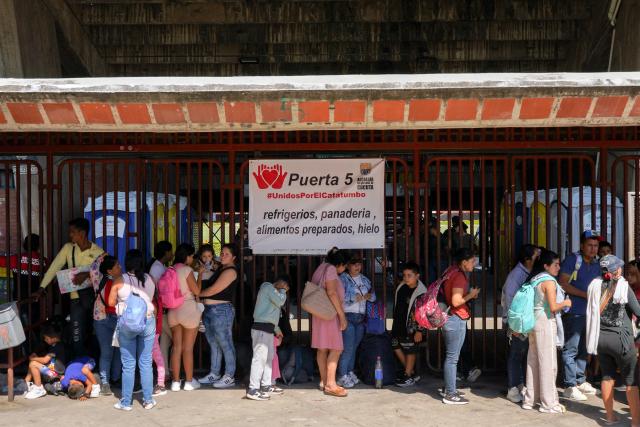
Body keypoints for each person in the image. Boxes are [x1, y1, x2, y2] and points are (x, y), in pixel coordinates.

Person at [35, 218, 104, 358]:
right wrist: (42, 287)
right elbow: (54, 267)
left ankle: (93, 364)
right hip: (75, 300)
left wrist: (87, 274)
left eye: (73, 232)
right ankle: (79, 365)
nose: (70, 235)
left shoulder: (98, 252)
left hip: (93, 301)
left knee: (94, 333)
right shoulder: (68, 248)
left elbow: (104, 275)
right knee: (76, 335)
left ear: (82, 233)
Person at [586, 255, 640, 425]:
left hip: (601, 338)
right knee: (631, 380)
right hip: (621, 340)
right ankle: (636, 422)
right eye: (620, 267)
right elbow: (638, 311)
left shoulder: (594, 284)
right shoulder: (623, 286)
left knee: (607, 375)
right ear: (616, 270)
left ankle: (609, 417)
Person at [522, 250, 571, 413]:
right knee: (548, 363)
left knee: (533, 361)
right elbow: (553, 307)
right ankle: (548, 403)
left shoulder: (534, 279)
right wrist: (566, 302)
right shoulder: (549, 282)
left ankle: (530, 399)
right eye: (555, 264)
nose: (558, 267)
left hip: (533, 321)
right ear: (546, 266)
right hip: (545, 321)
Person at [108, 249, 157, 411]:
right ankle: (148, 400)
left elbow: (110, 302)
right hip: (147, 320)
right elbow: (151, 298)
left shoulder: (119, 280)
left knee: (128, 365)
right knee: (145, 363)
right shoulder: (150, 279)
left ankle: (126, 402)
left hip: (127, 324)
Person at [559, 230, 601, 401]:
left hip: (590, 313)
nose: (593, 249)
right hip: (574, 312)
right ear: (582, 245)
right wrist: (586, 295)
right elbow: (562, 283)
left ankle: (580, 380)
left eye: (596, 246)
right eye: (590, 245)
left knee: (585, 348)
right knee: (571, 348)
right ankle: (569, 385)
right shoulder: (572, 260)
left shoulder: (598, 264)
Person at [501, 244, 541, 403]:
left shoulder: (527, 272)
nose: (538, 259)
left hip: (523, 321)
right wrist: (513, 325)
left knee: (522, 355)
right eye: (536, 256)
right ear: (527, 259)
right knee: (516, 355)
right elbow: (510, 300)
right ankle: (512, 388)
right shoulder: (516, 276)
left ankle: (519, 384)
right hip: (517, 322)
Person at [440, 248, 480, 405]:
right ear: (464, 262)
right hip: (455, 319)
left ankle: (448, 388)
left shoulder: (450, 270)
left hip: (449, 318)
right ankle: (450, 394)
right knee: (452, 358)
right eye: (472, 261)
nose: (474, 263)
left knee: (451, 357)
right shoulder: (459, 277)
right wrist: (471, 294)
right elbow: (456, 301)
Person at [198, 243, 238, 389]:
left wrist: (196, 293)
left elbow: (214, 289)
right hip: (210, 309)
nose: (223, 256)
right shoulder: (221, 268)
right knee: (213, 343)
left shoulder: (230, 271)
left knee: (225, 343)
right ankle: (214, 373)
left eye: (226, 254)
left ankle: (229, 375)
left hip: (221, 310)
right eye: (222, 253)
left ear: (234, 257)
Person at [311, 247, 350, 397]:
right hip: (330, 315)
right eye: (345, 265)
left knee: (322, 349)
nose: (344, 268)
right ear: (340, 263)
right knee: (336, 348)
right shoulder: (331, 270)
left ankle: (324, 381)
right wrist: (342, 316)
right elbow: (332, 292)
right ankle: (331, 384)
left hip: (319, 314)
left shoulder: (321, 267)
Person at [246, 274, 290, 401]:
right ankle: (253, 389)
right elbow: (280, 301)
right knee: (259, 358)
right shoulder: (268, 288)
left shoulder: (273, 293)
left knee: (268, 358)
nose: (285, 290)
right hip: (261, 328)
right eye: (285, 286)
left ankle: (266, 385)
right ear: (281, 282)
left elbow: (271, 314)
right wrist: (282, 290)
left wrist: (277, 330)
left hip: (268, 329)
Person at [166, 243, 203, 391]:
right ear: (187, 256)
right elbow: (197, 291)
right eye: (192, 256)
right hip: (188, 308)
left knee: (176, 347)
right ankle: (188, 381)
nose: (193, 259)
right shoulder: (187, 270)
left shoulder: (170, 269)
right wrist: (199, 274)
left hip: (173, 311)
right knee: (188, 349)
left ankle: (175, 382)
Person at [336, 255, 375, 389]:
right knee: (348, 348)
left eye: (359, 264)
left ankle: (349, 372)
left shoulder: (365, 279)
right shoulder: (342, 279)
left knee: (354, 348)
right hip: (348, 315)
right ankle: (341, 376)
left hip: (361, 317)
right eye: (354, 264)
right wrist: (354, 298)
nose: (357, 267)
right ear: (348, 266)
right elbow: (338, 296)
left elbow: (373, 296)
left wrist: (369, 297)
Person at [391, 261, 425, 387]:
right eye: (404, 275)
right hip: (399, 324)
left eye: (409, 275)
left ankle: (408, 375)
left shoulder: (422, 292)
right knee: (395, 344)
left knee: (410, 349)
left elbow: (424, 313)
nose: (406, 278)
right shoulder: (401, 287)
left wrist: (419, 330)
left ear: (417, 276)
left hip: (413, 328)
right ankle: (411, 372)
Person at [91, 255, 121, 396]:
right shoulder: (120, 282)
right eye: (117, 266)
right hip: (115, 319)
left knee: (107, 352)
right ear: (109, 270)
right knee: (115, 351)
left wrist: (100, 257)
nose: (120, 267)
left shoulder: (98, 280)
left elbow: (93, 268)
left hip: (100, 319)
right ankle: (112, 380)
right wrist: (102, 255)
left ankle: (107, 382)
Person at [147, 240, 173, 390]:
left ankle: (166, 372)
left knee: (165, 342)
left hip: (161, 309)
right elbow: (158, 290)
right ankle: (173, 372)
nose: (172, 254)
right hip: (160, 309)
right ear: (166, 253)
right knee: (175, 339)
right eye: (170, 251)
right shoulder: (157, 268)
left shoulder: (159, 266)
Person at [23, 325, 66, 399]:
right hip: (52, 370)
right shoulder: (54, 345)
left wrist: (34, 358)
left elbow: (45, 360)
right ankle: (26, 384)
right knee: (32, 363)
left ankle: (39, 388)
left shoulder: (58, 347)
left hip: (56, 375)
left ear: (54, 338)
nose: (45, 340)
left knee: (33, 364)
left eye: (47, 338)